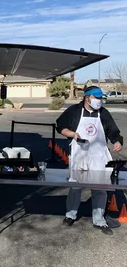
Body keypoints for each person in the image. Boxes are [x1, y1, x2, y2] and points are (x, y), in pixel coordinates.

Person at [56, 85, 123, 235]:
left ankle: (99, 220)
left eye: (101, 98)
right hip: (79, 154)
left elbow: (113, 131)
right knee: (75, 187)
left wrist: (117, 141)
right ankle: (70, 215)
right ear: (87, 97)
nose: (99, 101)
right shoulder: (74, 111)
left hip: (98, 156)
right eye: (96, 97)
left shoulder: (103, 113)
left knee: (100, 189)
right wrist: (72, 134)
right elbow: (60, 126)